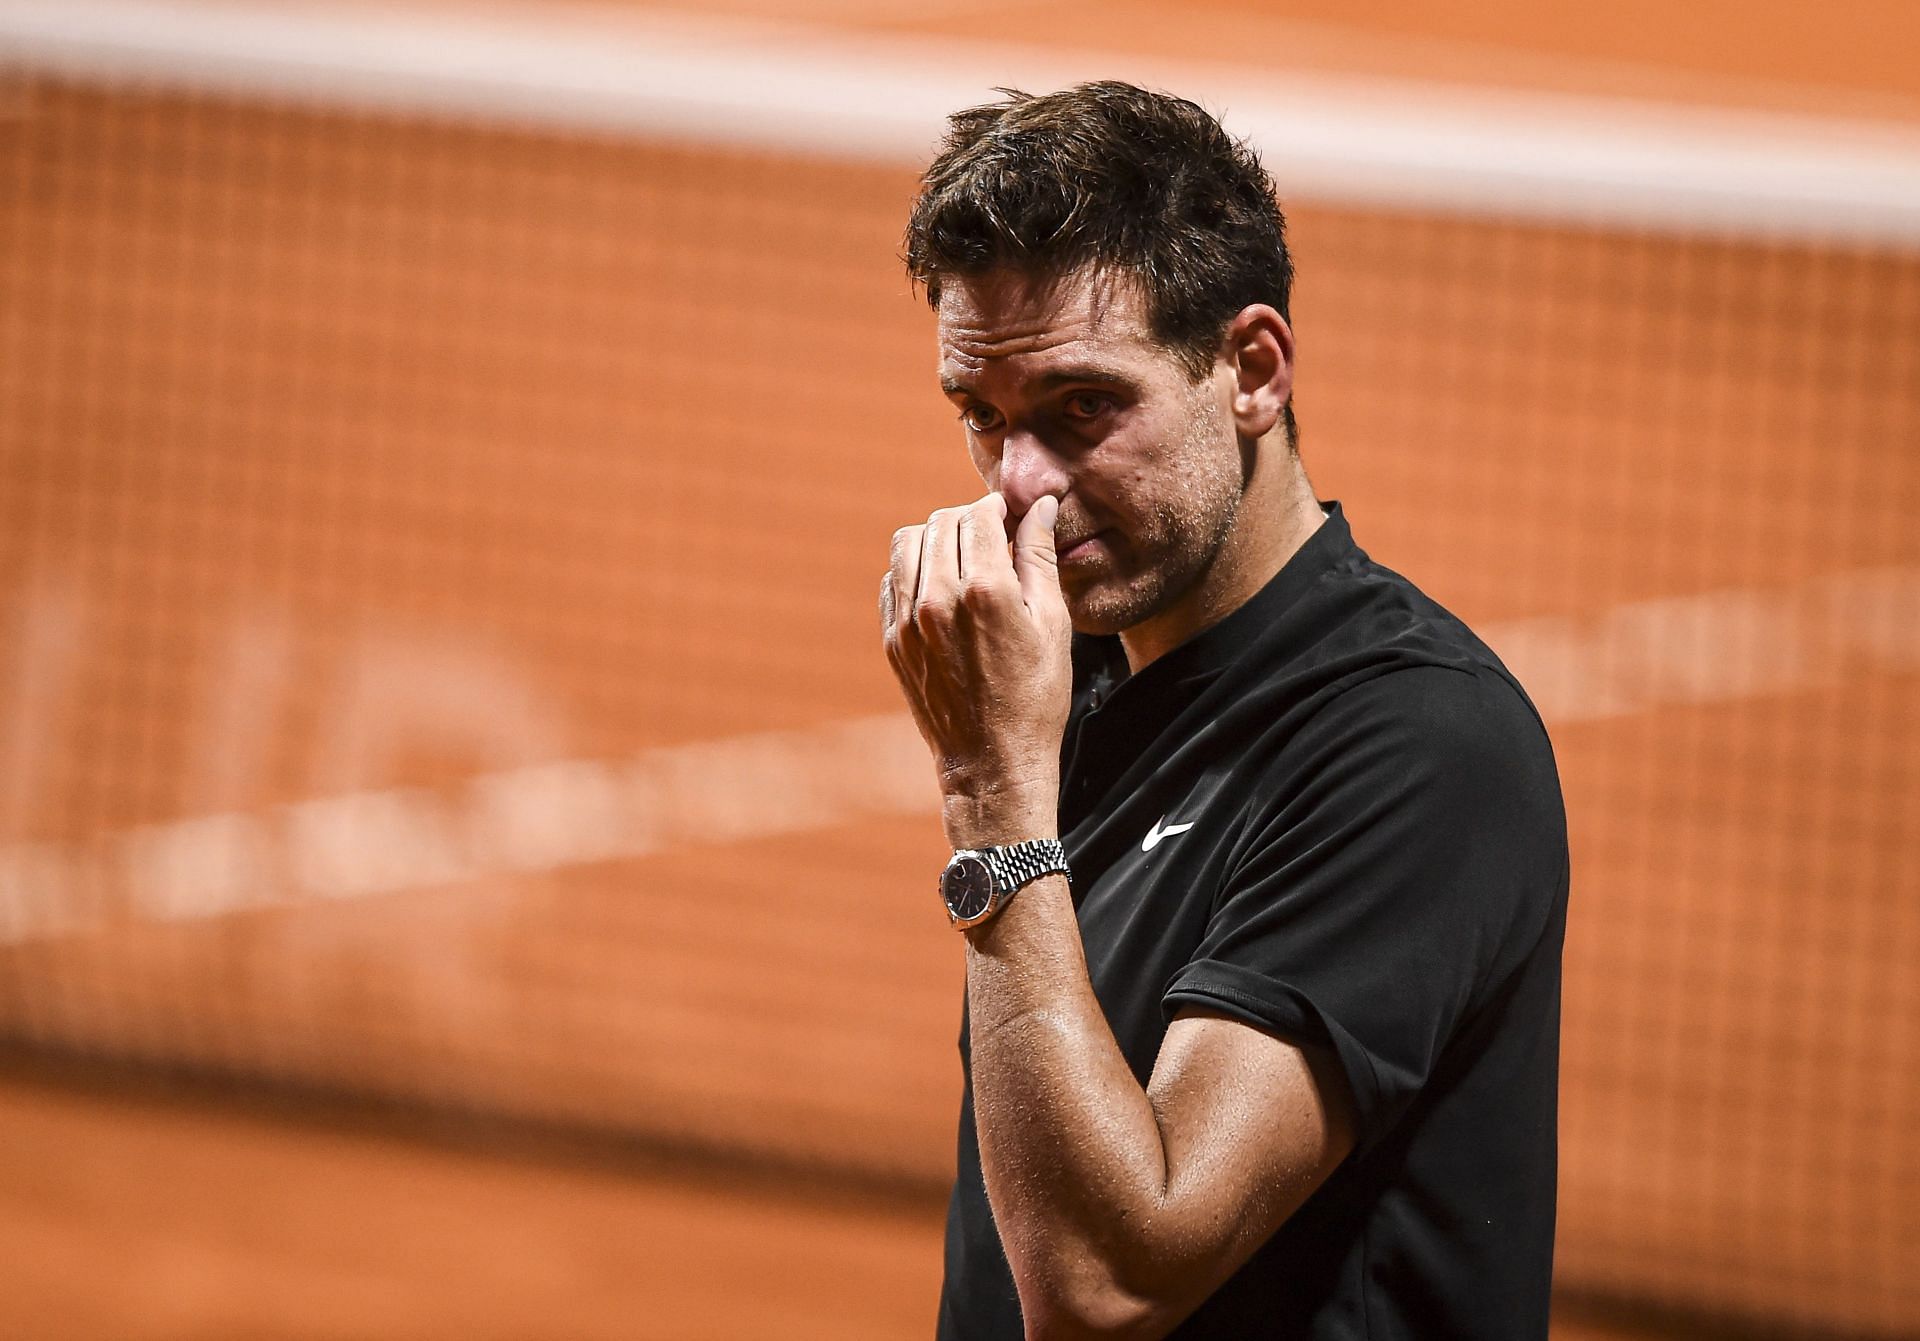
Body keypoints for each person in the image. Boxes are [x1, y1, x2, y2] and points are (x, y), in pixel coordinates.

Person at [880, 81, 1569, 1339]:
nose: (1021, 486)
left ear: (1251, 369)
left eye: (1085, 406)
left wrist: (992, 807)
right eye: (983, 418)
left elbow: (1109, 1282)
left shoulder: (1415, 749)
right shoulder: (1067, 673)